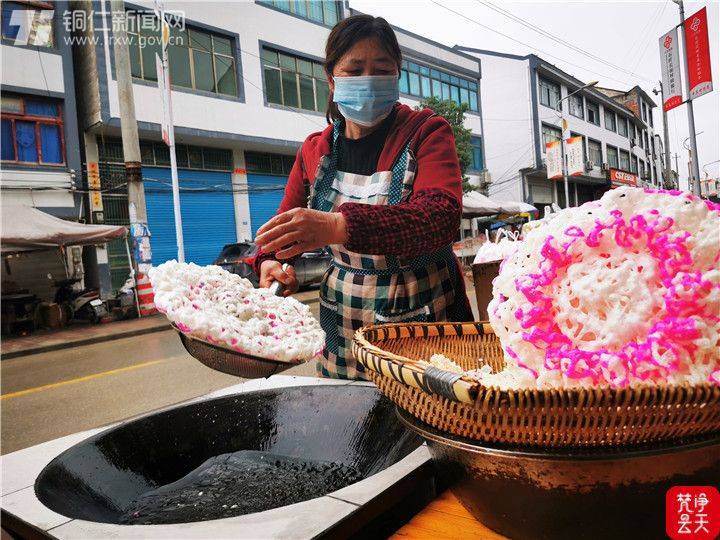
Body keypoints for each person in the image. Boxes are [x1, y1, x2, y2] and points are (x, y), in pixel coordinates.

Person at [253, 14, 472, 380]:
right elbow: (283, 230)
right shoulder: (314, 150)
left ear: (397, 75)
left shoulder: (426, 132)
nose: (368, 81)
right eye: (354, 71)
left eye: (381, 70)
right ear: (331, 78)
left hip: (428, 312)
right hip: (343, 322)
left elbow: (441, 217)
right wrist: (268, 260)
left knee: (427, 417)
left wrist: (339, 225)